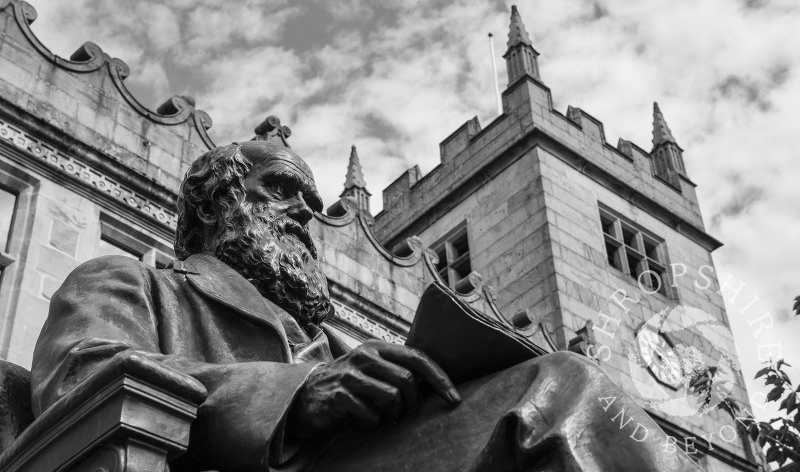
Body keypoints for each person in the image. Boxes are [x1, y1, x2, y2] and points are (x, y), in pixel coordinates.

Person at [31, 141, 700, 471]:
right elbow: (82, 375)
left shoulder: (330, 341)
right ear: (216, 205)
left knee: (573, 392)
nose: (306, 214)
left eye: (315, 204)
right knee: (561, 387)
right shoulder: (127, 281)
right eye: (283, 191)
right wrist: (295, 397)